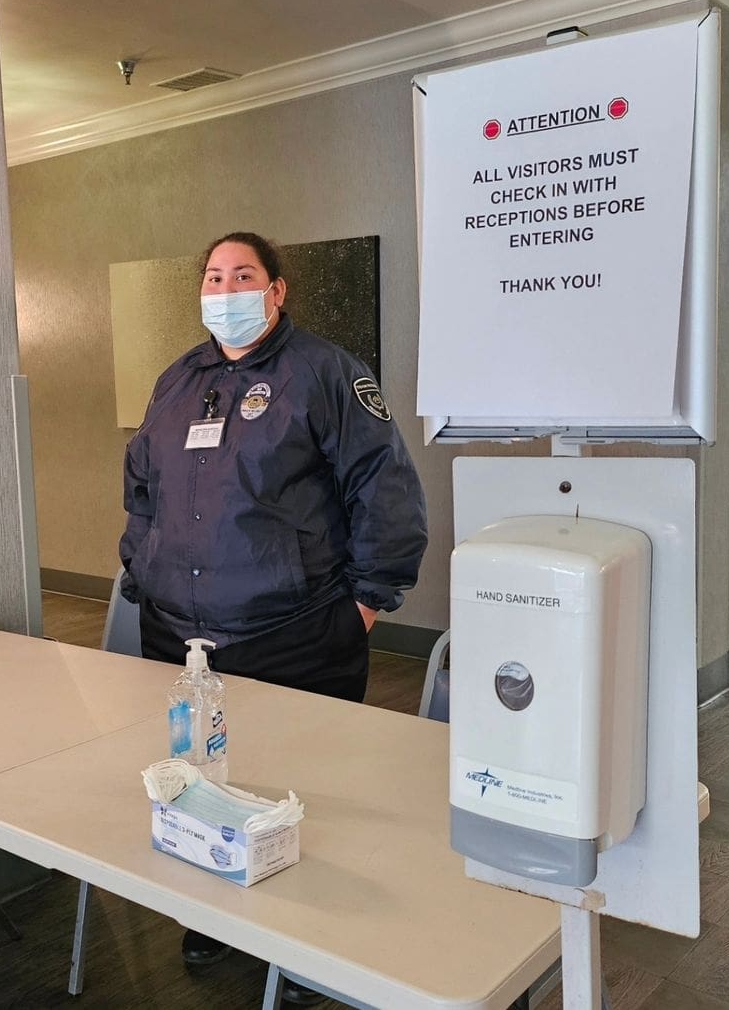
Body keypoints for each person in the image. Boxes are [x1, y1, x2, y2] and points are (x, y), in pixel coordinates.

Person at [119, 231, 428, 1004]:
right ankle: (217, 918)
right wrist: (140, 569)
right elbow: (141, 490)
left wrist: (365, 604)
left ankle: (307, 955)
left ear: (277, 289)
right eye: (214, 274)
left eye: (243, 274)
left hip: (293, 635)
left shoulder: (325, 372)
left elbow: (384, 490)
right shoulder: (178, 379)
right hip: (178, 637)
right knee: (203, 786)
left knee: (302, 795)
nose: (225, 288)